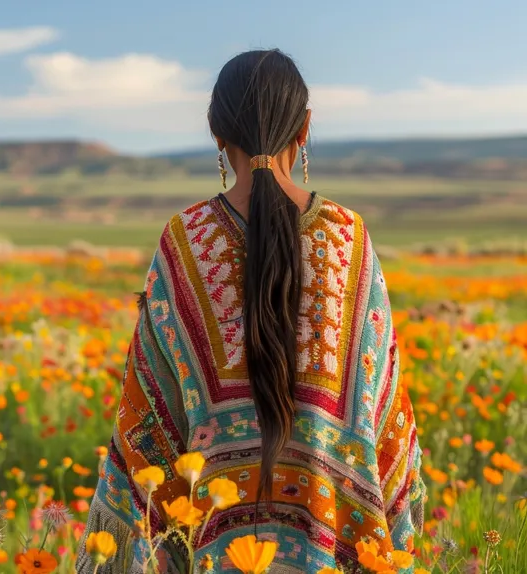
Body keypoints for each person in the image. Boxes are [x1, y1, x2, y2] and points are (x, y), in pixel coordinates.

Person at [76, 49, 425, 573]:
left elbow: (151, 412)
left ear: (217, 133)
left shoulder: (183, 243)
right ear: (305, 129)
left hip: (215, 544)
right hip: (330, 543)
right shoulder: (350, 239)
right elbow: (382, 411)